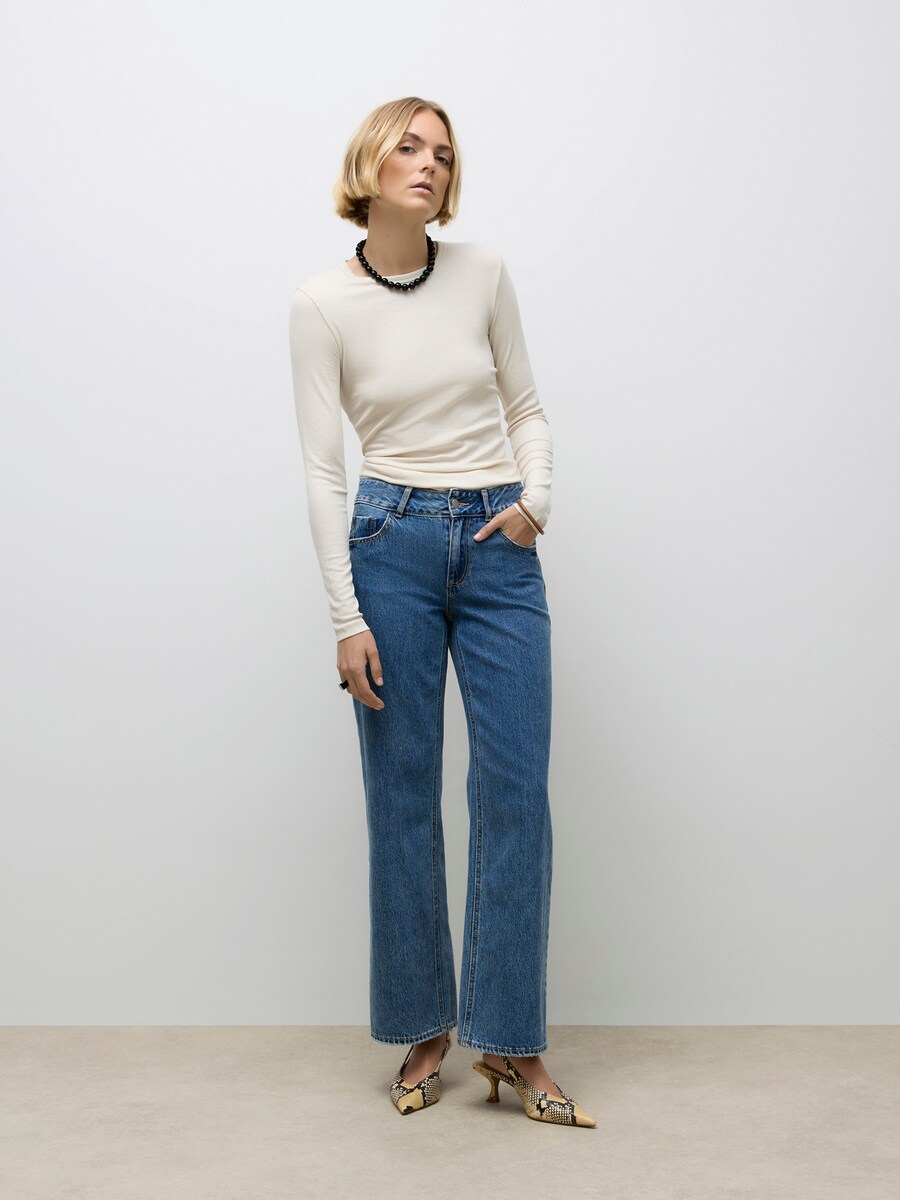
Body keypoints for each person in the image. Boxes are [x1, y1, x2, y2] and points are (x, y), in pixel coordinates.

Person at [288, 96, 596, 1128]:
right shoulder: (322, 303)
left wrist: (535, 501)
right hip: (390, 545)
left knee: (515, 793)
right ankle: (426, 1028)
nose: (430, 165)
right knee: (403, 794)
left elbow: (525, 407)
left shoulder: (483, 273)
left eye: (445, 155)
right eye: (411, 147)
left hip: (498, 544)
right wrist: (346, 616)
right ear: (369, 162)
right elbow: (322, 470)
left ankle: (510, 1039)